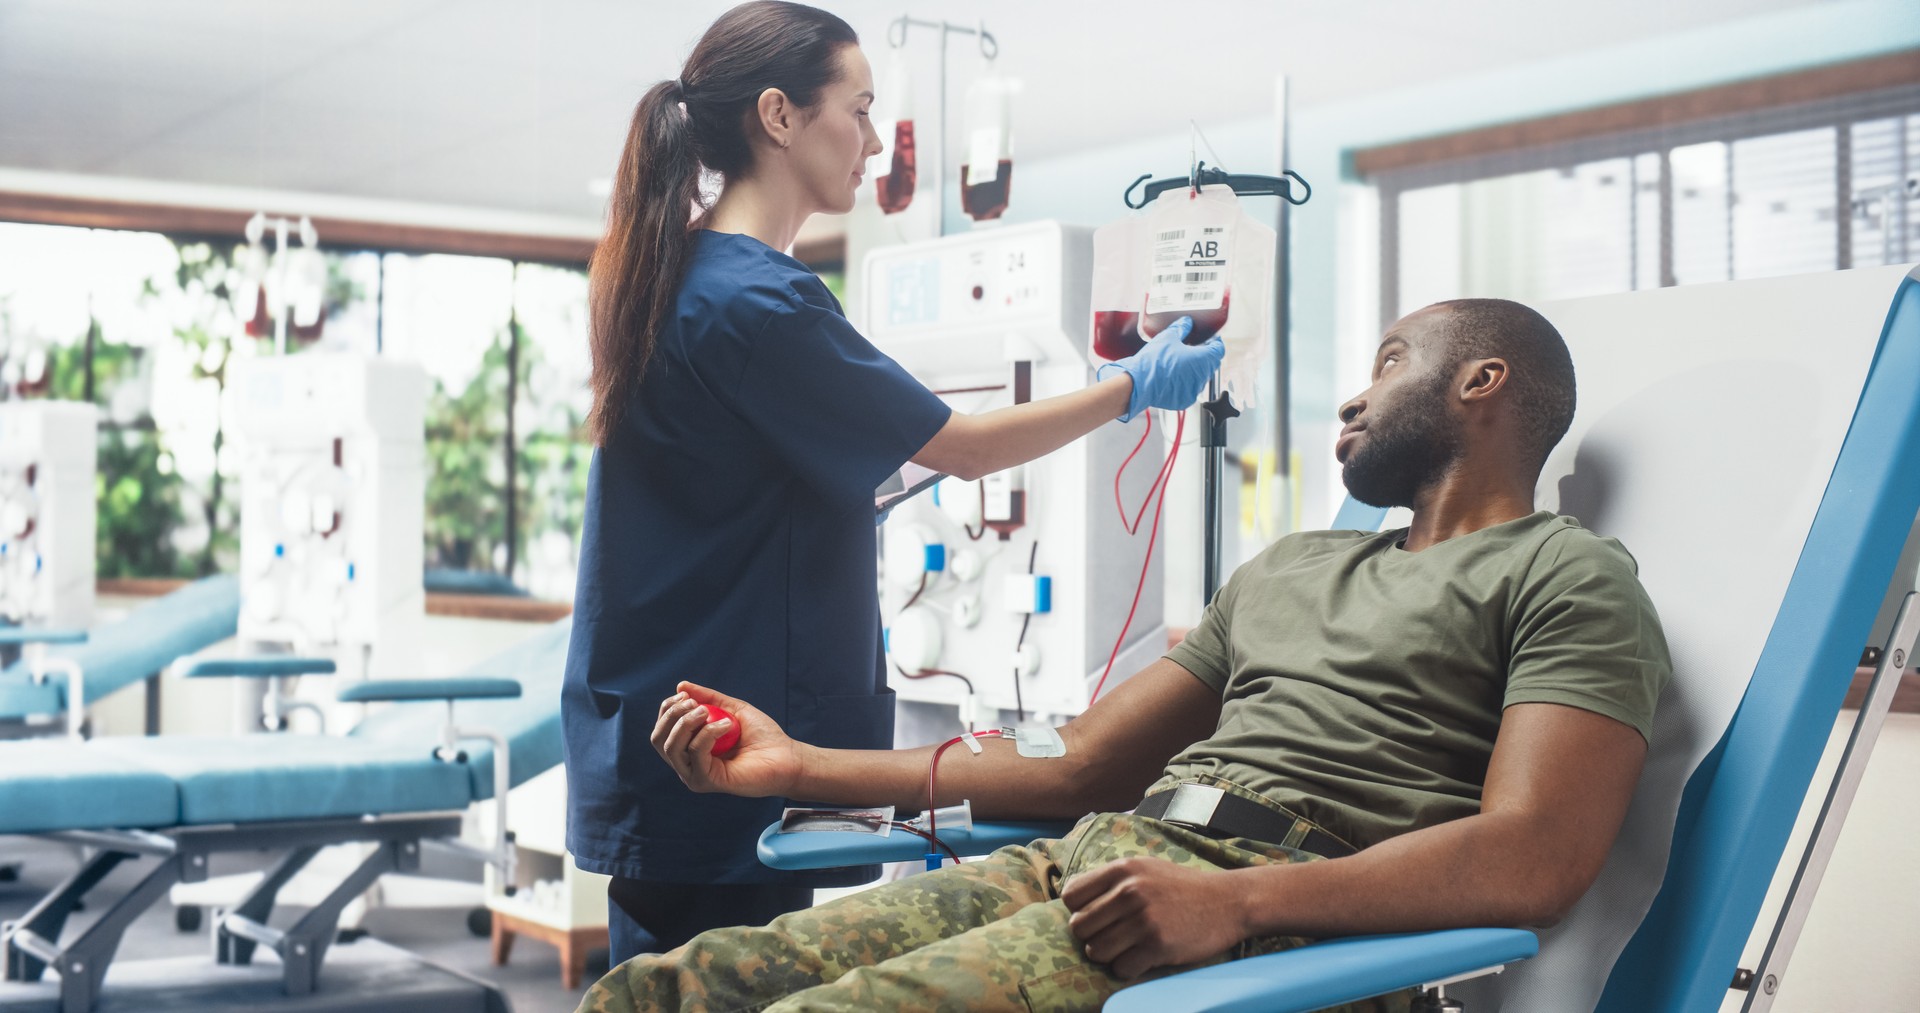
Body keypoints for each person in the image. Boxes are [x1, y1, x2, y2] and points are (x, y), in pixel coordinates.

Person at [577, 297, 1673, 1013]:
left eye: (1389, 361)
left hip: (1268, 921)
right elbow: (1081, 764)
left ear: (1481, 384)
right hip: (1103, 855)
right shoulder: (1288, 567)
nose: (1352, 394)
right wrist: (796, 764)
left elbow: (1538, 857)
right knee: (667, 990)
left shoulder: (1567, 576)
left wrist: (1243, 905)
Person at [562, 0, 1224, 964]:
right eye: (860, 109)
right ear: (780, 116)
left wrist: (882, 472)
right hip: (720, 734)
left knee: (674, 981)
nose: (874, 140)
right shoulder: (761, 299)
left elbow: (738, 486)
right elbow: (965, 447)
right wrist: (1130, 386)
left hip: (671, 720)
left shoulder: (682, 277)